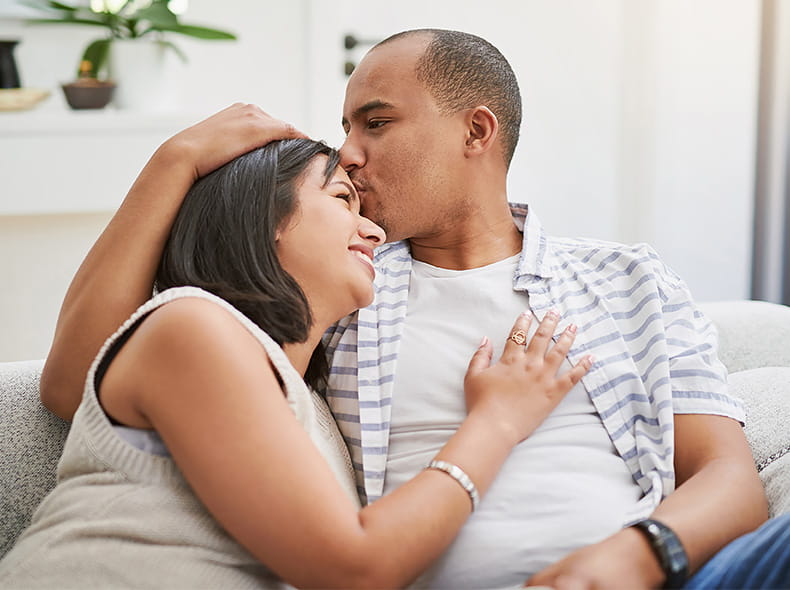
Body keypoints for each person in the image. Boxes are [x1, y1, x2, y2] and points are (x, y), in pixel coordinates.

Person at [39, 29, 790, 589]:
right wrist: (177, 161)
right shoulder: (335, 296)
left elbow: (728, 477)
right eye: (342, 137)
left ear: (476, 131)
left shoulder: (626, 279)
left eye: (376, 122)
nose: (350, 154)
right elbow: (90, 373)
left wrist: (633, 556)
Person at [0, 107, 591, 588]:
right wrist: (496, 421)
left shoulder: (313, 408)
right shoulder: (192, 330)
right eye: (341, 200)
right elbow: (354, 568)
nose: (375, 231)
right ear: (262, 217)